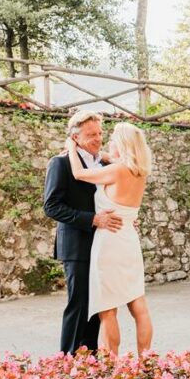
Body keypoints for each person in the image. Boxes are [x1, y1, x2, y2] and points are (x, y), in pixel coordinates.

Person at [64, 122, 153, 356]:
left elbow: (78, 173)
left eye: (112, 138)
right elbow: (106, 157)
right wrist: (96, 150)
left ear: (122, 144)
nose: (108, 142)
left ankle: (113, 363)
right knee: (139, 307)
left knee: (108, 309)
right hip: (129, 241)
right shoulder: (139, 171)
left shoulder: (115, 170)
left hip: (110, 242)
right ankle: (146, 359)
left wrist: (71, 148)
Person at [43, 110, 122, 355]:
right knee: (78, 304)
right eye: (91, 135)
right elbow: (52, 206)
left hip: (104, 242)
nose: (98, 139)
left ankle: (90, 357)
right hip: (76, 244)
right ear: (75, 138)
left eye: (99, 133)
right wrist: (93, 219)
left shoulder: (107, 164)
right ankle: (67, 360)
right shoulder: (61, 163)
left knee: (99, 304)